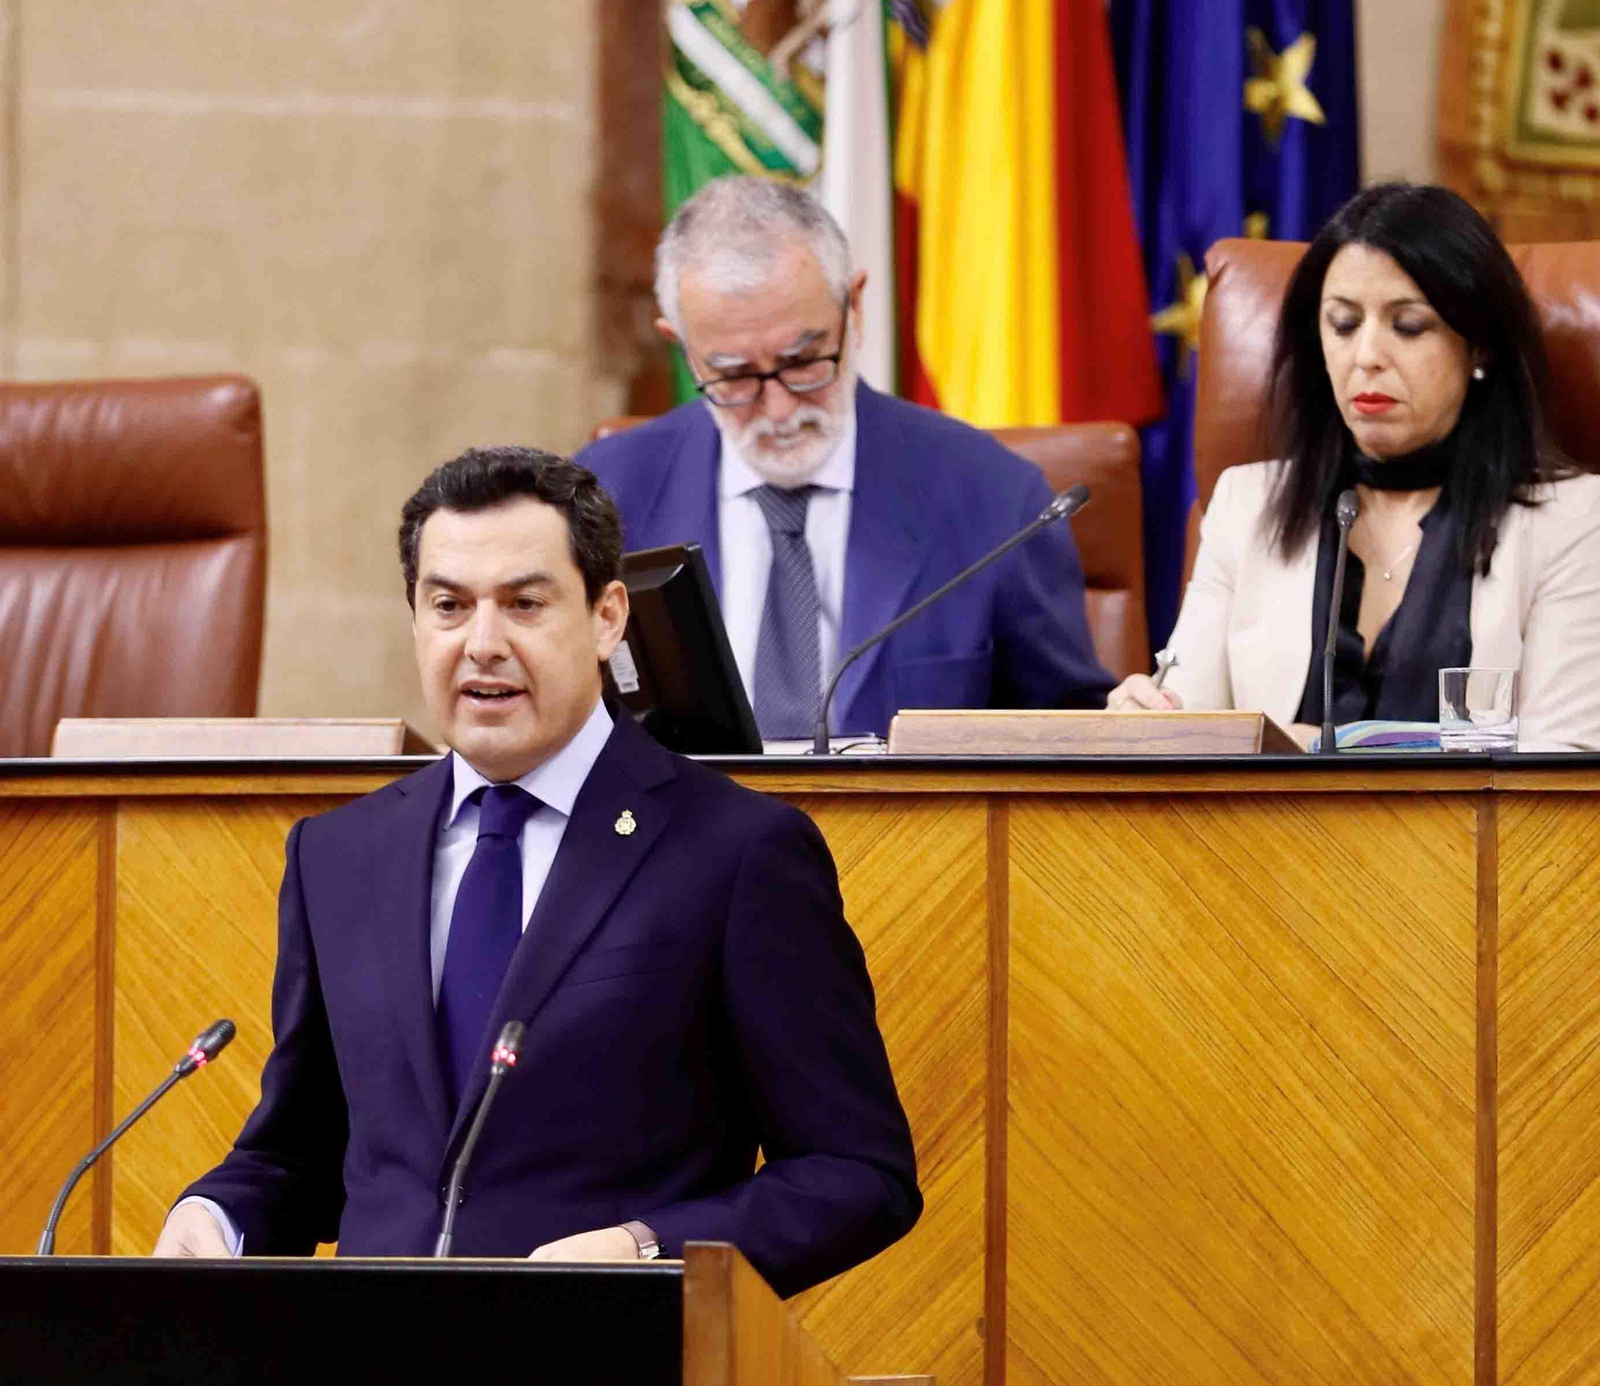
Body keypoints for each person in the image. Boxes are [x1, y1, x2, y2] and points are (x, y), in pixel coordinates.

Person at [154, 446, 921, 1295]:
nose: (483, 643)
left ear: (607, 618)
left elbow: (856, 1173)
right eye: (449, 605)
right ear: (414, 617)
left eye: (524, 603)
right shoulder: (337, 854)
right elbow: (306, 1151)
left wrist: (646, 1247)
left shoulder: (738, 852)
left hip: (611, 1383)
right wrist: (218, 1214)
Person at [573, 175, 1110, 741]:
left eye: (804, 362)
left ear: (853, 307)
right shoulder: (609, 491)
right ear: (684, 350)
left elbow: (1069, 739)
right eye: (732, 375)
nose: (778, 411)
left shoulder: (996, 496)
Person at [1109, 181, 1600, 750]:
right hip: (1259, 840)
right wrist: (1145, 724)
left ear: (1480, 347)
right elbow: (1189, 733)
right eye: (1343, 324)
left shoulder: (1575, 519)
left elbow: (1566, 762)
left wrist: (1326, 746)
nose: (1366, 357)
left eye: (1409, 326)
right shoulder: (1248, 505)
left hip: (1473, 839)